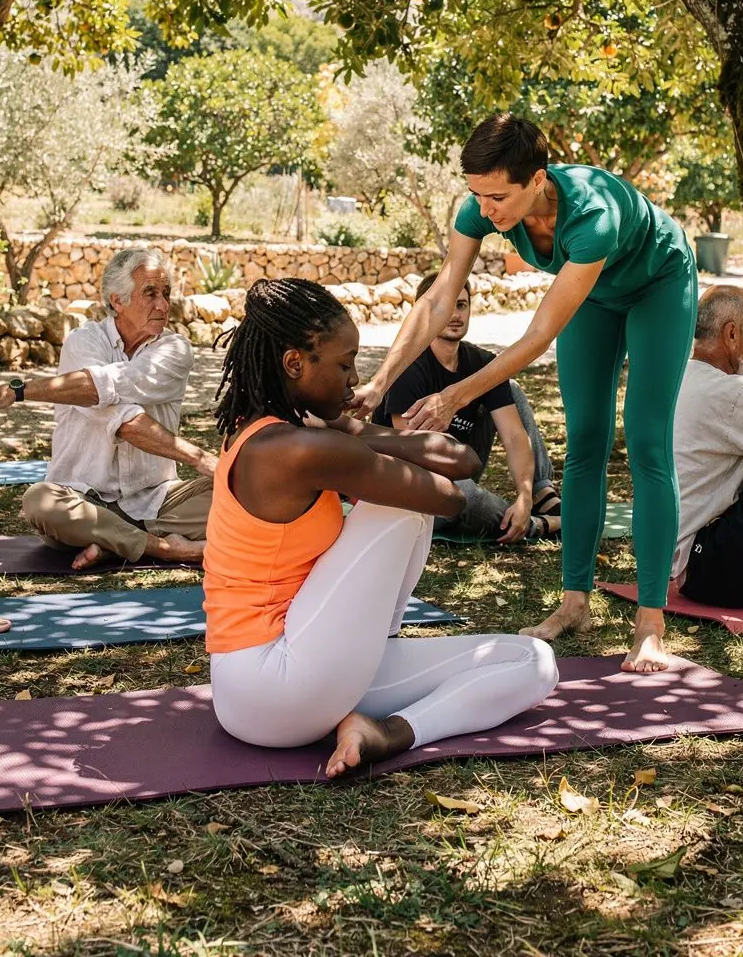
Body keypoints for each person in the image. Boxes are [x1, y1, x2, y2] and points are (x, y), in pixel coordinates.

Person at [350, 114, 698, 674]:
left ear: (538, 180)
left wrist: (454, 396)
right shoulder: (481, 206)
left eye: (497, 197)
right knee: (585, 439)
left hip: (658, 285)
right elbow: (439, 298)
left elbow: (537, 336)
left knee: (646, 441)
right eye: (477, 195)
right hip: (595, 295)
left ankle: (651, 625)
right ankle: (574, 602)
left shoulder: (593, 215)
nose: (485, 210)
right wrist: (380, 380)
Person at [203, 277, 559, 778]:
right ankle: (382, 656)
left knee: (533, 660)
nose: (355, 381)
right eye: (345, 365)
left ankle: (389, 731)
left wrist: (351, 430)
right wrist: (353, 438)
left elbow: (463, 458)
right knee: (400, 505)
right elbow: (449, 496)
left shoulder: (285, 432)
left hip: (295, 677)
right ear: (294, 364)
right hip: (273, 682)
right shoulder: (290, 449)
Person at [0, 248, 216, 571]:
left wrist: (20, 391)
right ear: (117, 301)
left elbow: (102, 387)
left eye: (166, 293)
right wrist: (198, 457)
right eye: (150, 293)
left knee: (242, 491)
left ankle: (114, 545)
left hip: (156, 501)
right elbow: (121, 419)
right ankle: (167, 549)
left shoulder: (174, 348)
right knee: (40, 501)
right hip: (82, 500)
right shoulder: (83, 343)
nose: (163, 304)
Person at [373, 272, 561, 543]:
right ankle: (535, 526)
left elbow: (515, 436)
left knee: (510, 388)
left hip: (464, 469)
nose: (455, 314)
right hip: (416, 486)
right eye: (445, 306)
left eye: (461, 305)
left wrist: (523, 495)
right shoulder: (408, 366)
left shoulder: (481, 363)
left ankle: (542, 495)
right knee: (463, 495)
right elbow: (414, 452)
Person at [672, 285, 743, 606]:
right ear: (732, 334)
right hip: (711, 566)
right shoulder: (733, 395)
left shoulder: (678, 377)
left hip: (674, 559)